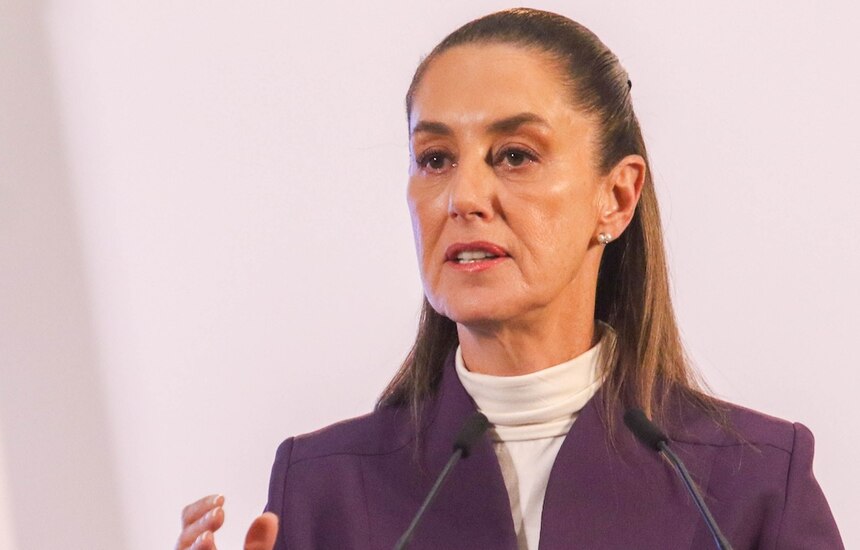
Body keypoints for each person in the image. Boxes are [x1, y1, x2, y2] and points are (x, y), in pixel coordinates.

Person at [175, 8, 843, 550]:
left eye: (515, 155)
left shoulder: (752, 483)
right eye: (434, 158)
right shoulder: (323, 491)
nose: (462, 197)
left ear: (615, 196)